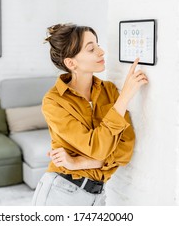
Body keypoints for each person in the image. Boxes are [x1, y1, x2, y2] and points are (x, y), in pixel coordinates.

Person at [32, 23, 148, 206]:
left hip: (98, 196)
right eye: (91, 49)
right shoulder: (54, 102)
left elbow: (125, 151)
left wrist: (78, 163)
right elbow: (98, 148)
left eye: (98, 45)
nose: (101, 52)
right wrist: (125, 96)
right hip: (62, 192)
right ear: (71, 63)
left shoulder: (109, 91)